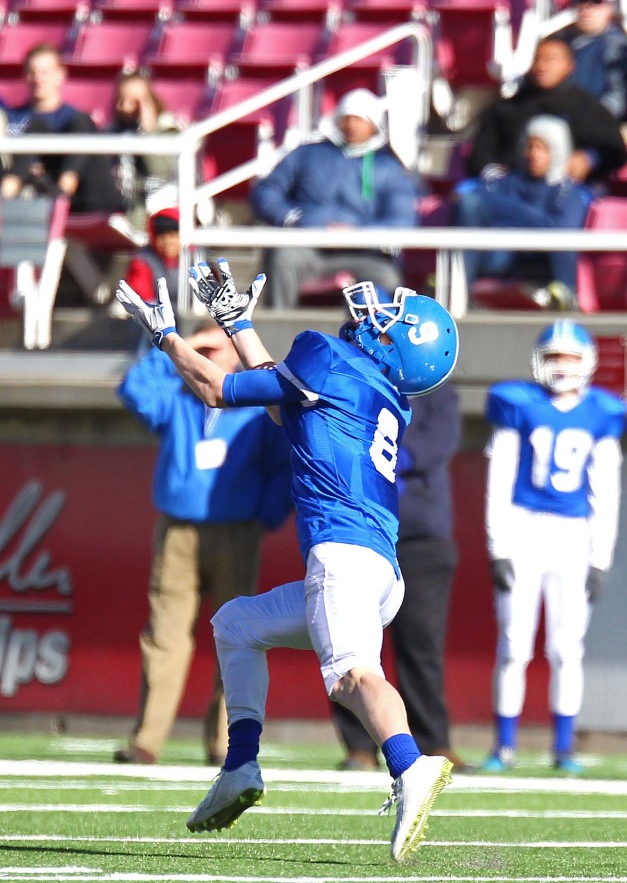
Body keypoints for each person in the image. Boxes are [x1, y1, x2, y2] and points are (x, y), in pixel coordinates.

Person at [115, 257, 459, 865]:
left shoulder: (330, 357)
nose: (376, 312)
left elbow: (218, 391)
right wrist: (237, 323)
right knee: (236, 625)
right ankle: (240, 764)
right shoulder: (375, 391)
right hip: (379, 567)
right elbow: (282, 404)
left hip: (343, 554)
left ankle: (411, 765)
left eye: (391, 316)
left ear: (396, 342)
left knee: (353, 675)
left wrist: (166, 336)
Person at [114, 323, 292, 766]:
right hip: (178, 530)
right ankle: (148, 740)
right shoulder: (178, 398)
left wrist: (262, 517)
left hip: (237, 531)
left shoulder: (254, 407)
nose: (214, 353)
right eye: (206, 346)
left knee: (236, 635)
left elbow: (283, 464)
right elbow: (134, 391)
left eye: (221, 346)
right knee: (164, 635)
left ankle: (226, 742)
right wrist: (179, 348)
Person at [482, 320, 625, 774]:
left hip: (573, 534)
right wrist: (498, 544)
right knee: (513, 644)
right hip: (524, 527)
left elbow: (607, 490)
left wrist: (601, 557)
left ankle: (563, 748)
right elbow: (499, 478)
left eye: (571, 357)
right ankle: (504, 746)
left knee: (567, 647)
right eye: (555, 357)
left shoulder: (603, 411)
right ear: (539, 360)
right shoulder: (518, 404)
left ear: (588, 363)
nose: (563, 367)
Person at [331, 380, 473, 773]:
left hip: (420, 537)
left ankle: (433, 741)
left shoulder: (437, 387)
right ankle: (359, 746)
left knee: (421, 647)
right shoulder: (351, 380)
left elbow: (436, 445)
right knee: (351, 646)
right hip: (358, 533)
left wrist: (380, 460)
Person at [250, 87, 420, 308]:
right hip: (307, 248)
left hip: (363, 254)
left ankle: (371, 338)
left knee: (386, 277)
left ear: (374, 124)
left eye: (359, 119)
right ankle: (278, 329)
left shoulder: (388, 167)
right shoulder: (307, 154)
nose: (351, 125)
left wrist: (358, 233)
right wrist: (292, 218)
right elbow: (266, 191)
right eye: (347, 118)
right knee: (283, 259)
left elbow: (402, 220)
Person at [453, 115, 591, 311]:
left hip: (542, 262)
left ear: (558, 151)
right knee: (468, 203)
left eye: (542, 148)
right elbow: (472, 201)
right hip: (499, 256)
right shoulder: (506, 181)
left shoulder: (569, 192)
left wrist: (507, 213)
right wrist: (531, 218)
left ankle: (565, 300)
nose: (534, 154)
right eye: (530, 146)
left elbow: (559, 231)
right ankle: (457, 293)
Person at [466, 36, 627, 186]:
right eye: (537, 59)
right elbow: (482, 155)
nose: (542, 66)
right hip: (511, 188)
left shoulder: (587, 107)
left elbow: (613, 150)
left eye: (550, 60)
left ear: (569, 66)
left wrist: (589, 159)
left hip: (567, 194)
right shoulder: (508, 107)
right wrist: (497, 178)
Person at [0, 42, 125, 213]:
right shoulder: (11, 117)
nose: (38, 79)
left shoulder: (73, 120)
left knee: (80, 128)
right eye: (32, 72)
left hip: (59, 195)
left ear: (60, 75)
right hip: (17, 193)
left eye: (45, 72)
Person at [109, 70, 183, 230]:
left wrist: (148, 134)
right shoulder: (112, 131)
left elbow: (159, 170)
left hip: (154, 208)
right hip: (117, 205)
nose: (124, 107)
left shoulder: (169, 131)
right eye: (121, 99)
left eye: (133, 101)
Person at [558, 0, 627, 123]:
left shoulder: (617, 45)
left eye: (595, 2)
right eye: (581, 1)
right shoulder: (561, 43)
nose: (586, 8)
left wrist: (585, 119)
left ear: (609, 7)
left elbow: (618, 98)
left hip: (602, 126)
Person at [123, 205, 182, 309]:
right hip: (155, 318)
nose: (168, 242)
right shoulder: (144, 260)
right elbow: (141, 297)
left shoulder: (196, 258)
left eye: (173, 236)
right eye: (162, 237)